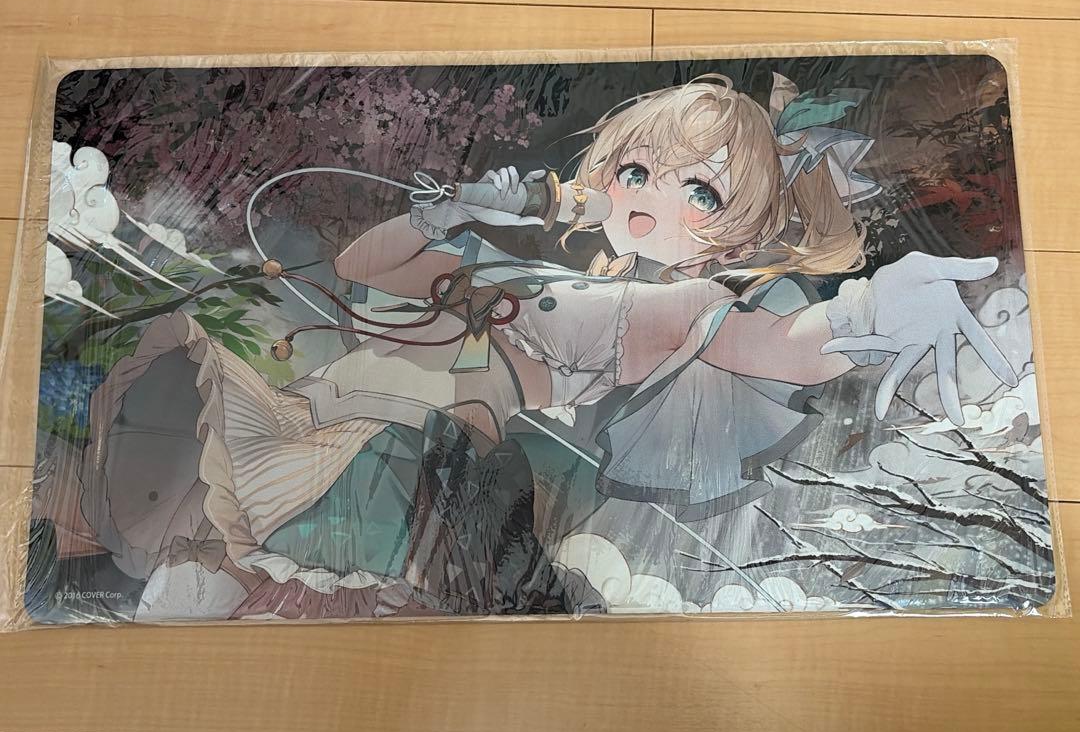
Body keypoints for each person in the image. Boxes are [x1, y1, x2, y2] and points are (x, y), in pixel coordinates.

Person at [76, 75, 1017, 621]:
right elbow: (368, 268)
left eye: (700, 193)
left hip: (427, 432)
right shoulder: (525, 263)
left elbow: (777, 346)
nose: (650, 195)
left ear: (732, 241)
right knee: (216, 353)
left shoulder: (675, 303)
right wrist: (441, 216)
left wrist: (867, 309)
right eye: (638, 169)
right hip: (343, 393)